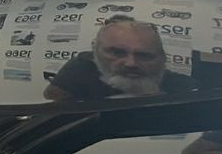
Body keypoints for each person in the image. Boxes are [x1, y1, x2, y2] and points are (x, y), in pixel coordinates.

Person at [43, 15, 197, 100]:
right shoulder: (83, 64)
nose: (131, 63)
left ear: (161, 59)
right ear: (96, 52)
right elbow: (52, 94)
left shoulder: (179, 84)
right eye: (117, 53)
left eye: (144, 55)